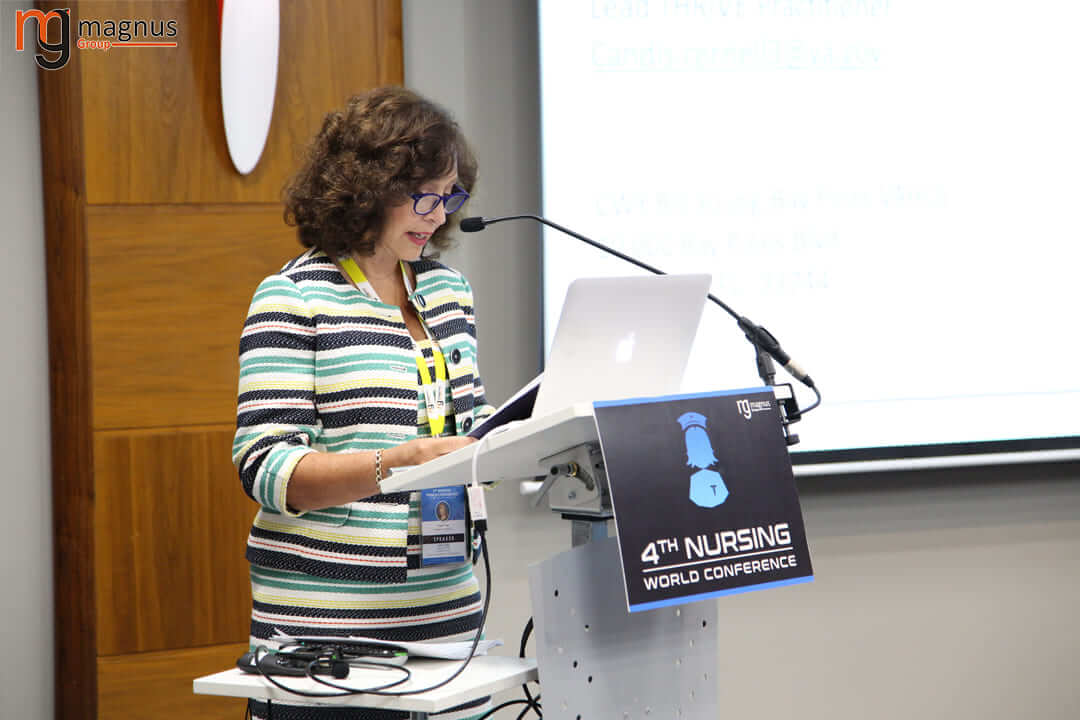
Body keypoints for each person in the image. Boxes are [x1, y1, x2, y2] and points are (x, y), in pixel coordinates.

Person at [232, 86, 495, 720]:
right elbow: (266, 468)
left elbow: (470, 423)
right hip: (328, 629)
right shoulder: (294, 297)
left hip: (447, 614)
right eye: (424, 195)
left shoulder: (448, 292)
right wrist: (392, 464)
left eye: (450, 196)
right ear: (368, 188)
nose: (438, 215)